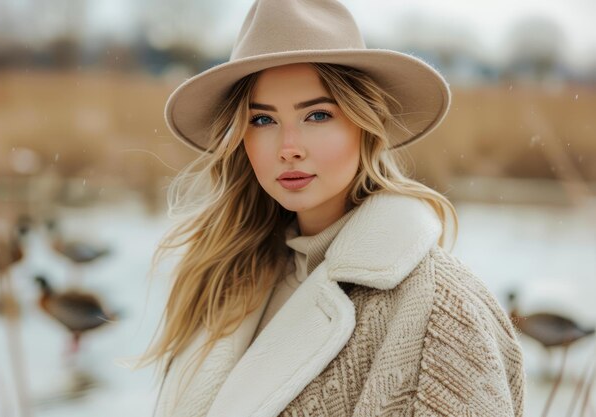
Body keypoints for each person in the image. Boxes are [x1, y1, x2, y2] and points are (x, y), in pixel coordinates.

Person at [138, 0, 526, 416]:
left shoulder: (440, 313)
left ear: (366, 123)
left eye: (318, 115)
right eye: (263, 120)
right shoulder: (229, 277)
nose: (289, 149)